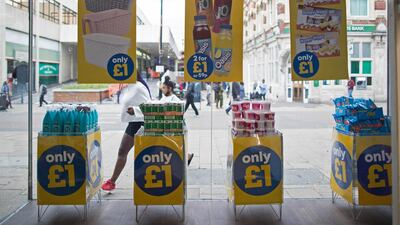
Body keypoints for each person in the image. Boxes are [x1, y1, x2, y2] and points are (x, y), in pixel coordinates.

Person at [101, 73, 152, 192]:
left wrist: (135, 110)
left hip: (142, 123)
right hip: (133, 123)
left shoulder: (139, 87)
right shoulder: (128, 86)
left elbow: (149, 105)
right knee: (122, 151)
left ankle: (149, 180)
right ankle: (112, 182)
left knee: (146, 154)